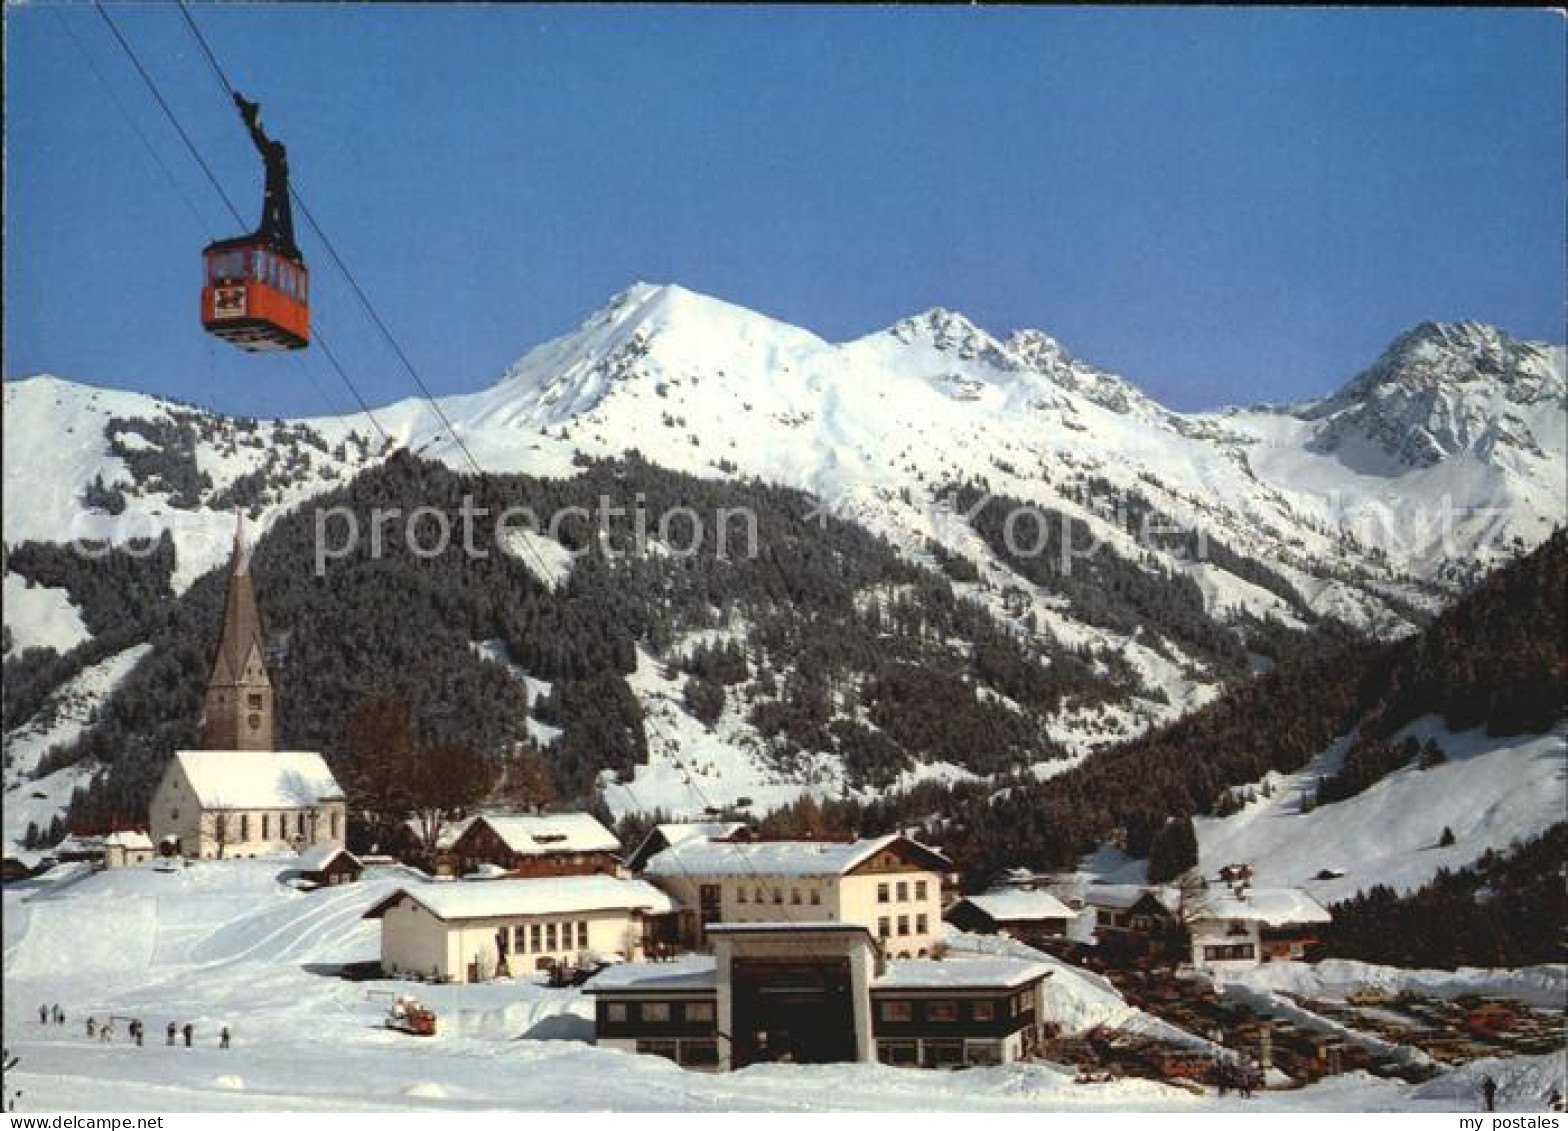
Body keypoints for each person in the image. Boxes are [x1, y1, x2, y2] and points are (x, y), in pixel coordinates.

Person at [232, 92, 298, 260]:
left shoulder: (276, 171)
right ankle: (251, 119)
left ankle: (251, 118)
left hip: (274, 171)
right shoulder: (278, 171)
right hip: (275, 172)